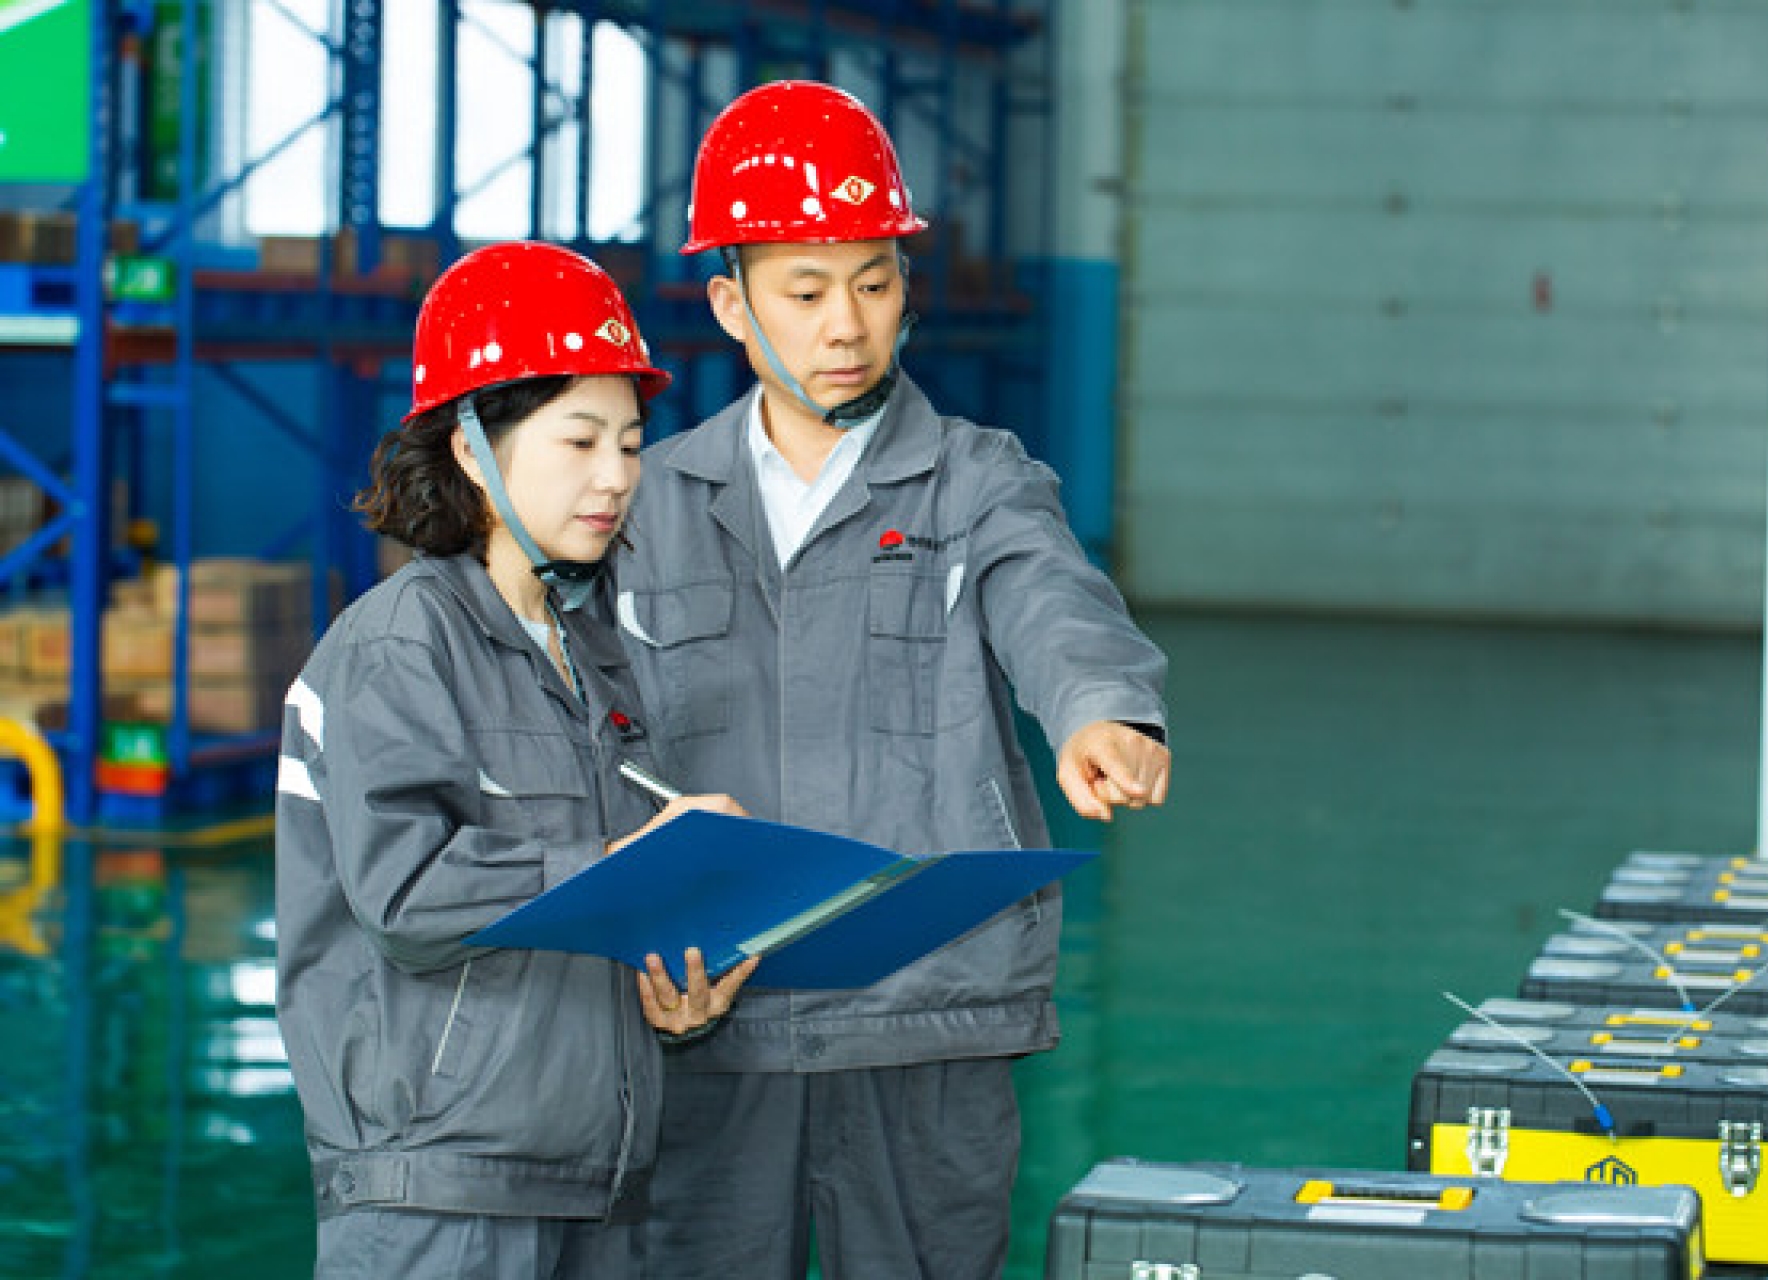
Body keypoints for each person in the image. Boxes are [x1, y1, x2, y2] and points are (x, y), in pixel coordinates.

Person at [611, 81, 1172, 1279]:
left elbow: (1053, 597)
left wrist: (1100, 709)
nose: (847, 325)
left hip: (929, 1010)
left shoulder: (977, 480)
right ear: (732, 303)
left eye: (874, 283)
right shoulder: (649, 507)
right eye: (806, 290)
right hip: (713, 1010)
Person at [274, 240, 756, 1278]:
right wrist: (629, 865)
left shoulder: (593, 652)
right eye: (579, 440)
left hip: (594, 1178)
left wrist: (672, 994)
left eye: (631, 444)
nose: (616, 476)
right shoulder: (403, 642)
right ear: (469, 448)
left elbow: (586, 908)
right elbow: (406, 891)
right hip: (439, 1189)